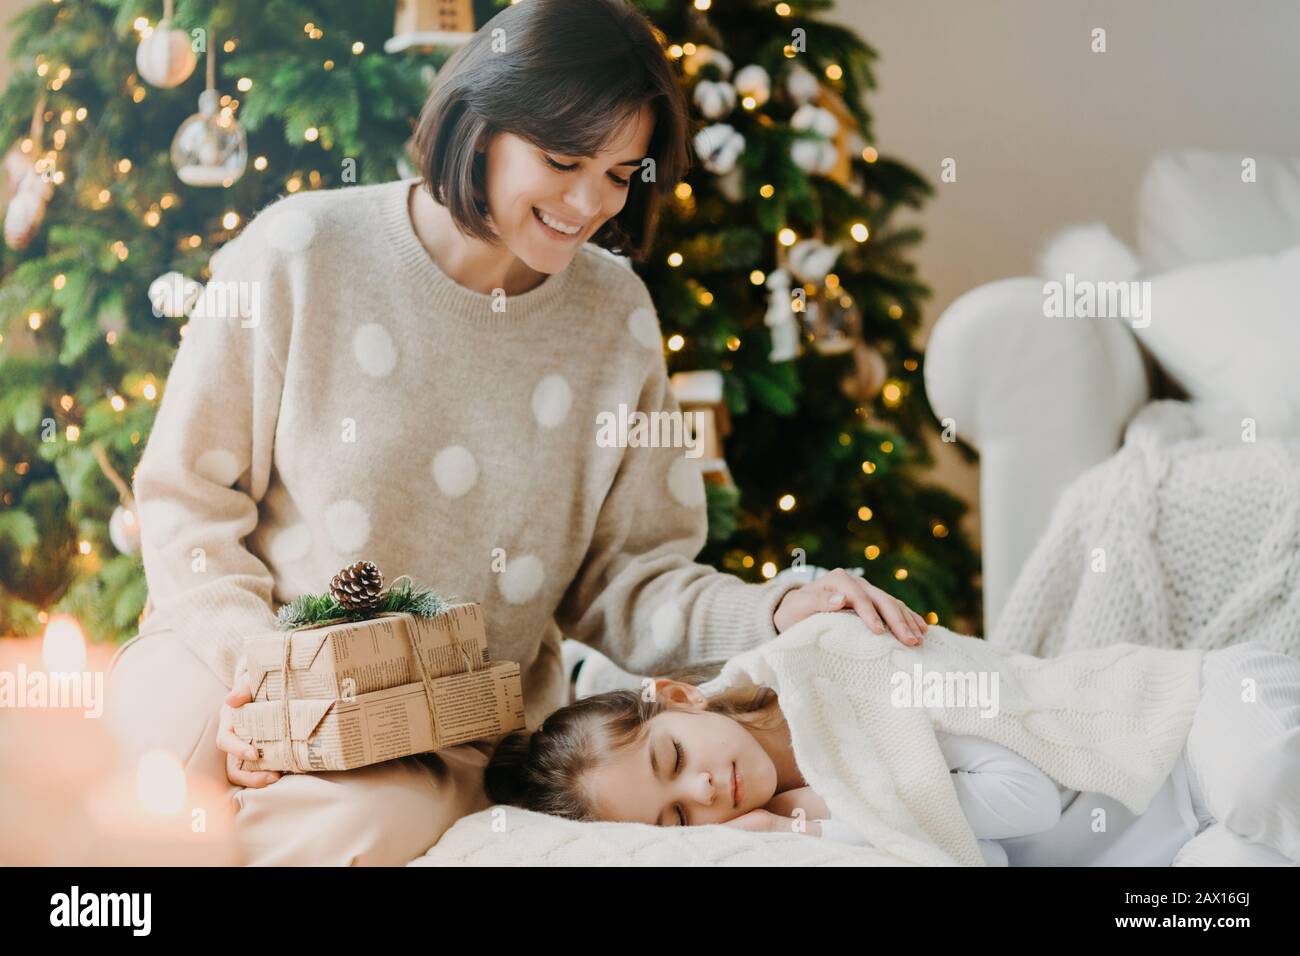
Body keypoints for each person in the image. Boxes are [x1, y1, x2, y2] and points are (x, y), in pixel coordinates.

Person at [105, 0, 927, 866]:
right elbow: (186, 496)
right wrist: (261, 679)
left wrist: (780, 605)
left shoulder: (616, 319)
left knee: (352, 832)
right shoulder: (300, 254)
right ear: (480, 125)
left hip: (440, 728)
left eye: (619, 174)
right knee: (174, 777)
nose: (588, 204)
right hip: (229, 654)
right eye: (563, 160)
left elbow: (629, 578)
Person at [484, 636, 1300, 866]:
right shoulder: (789, 832)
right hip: (1173, 845)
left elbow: (1028, 799)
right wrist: (807, 828)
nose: (706, 792)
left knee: (1258, 776)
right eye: (675, 819)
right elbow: (982, 856)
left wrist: (834, 804)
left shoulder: (836, 669)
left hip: (1186, 726)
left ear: (678, 697)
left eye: (672, 760)